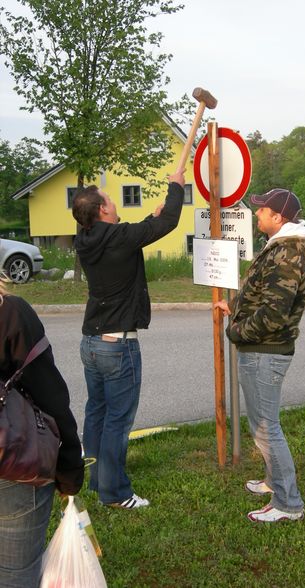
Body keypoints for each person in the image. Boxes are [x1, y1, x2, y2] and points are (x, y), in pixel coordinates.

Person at [72, 169, 185, 509]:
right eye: (108, 199)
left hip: (91, 343)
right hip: (117, 345)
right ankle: (116, 493)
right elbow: (169, 223)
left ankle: (95, 480)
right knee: (117, 420)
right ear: (102, 211)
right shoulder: (120, 237)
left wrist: (145, 221)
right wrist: (176, 184)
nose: (113, 201)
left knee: (97, 412)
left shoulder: (85, 239)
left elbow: (126, 235)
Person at [215, 188, 305, 523]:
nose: (257, 214)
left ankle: (289, 504)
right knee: (262, 424)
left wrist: (235, 331)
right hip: (263, 348)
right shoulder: (281, 248)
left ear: (279, 217)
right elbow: (262, 294)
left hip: (265, 350)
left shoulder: (288, 255)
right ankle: (274, 482)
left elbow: (273, 315)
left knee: (265, 427)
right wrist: (232, 307)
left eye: (262, 210)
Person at [0, 278, 84, 587]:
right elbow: (50, 396)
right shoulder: (10, 312)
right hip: (13, 466)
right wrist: (70, 466)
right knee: (16, 574)